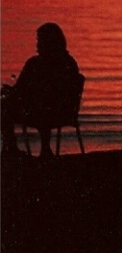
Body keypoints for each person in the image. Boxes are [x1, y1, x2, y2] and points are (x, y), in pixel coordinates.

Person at [1, 23, 80, 160]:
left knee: (3, 106)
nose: (37, 44)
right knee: (42, 104)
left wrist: (11, 92)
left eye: (40, 40)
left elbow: (22, 90)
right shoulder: (69, 62)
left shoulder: (35, 64)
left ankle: (11, 147)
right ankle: (43, 148)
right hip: (64, 113)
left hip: (42, 112)